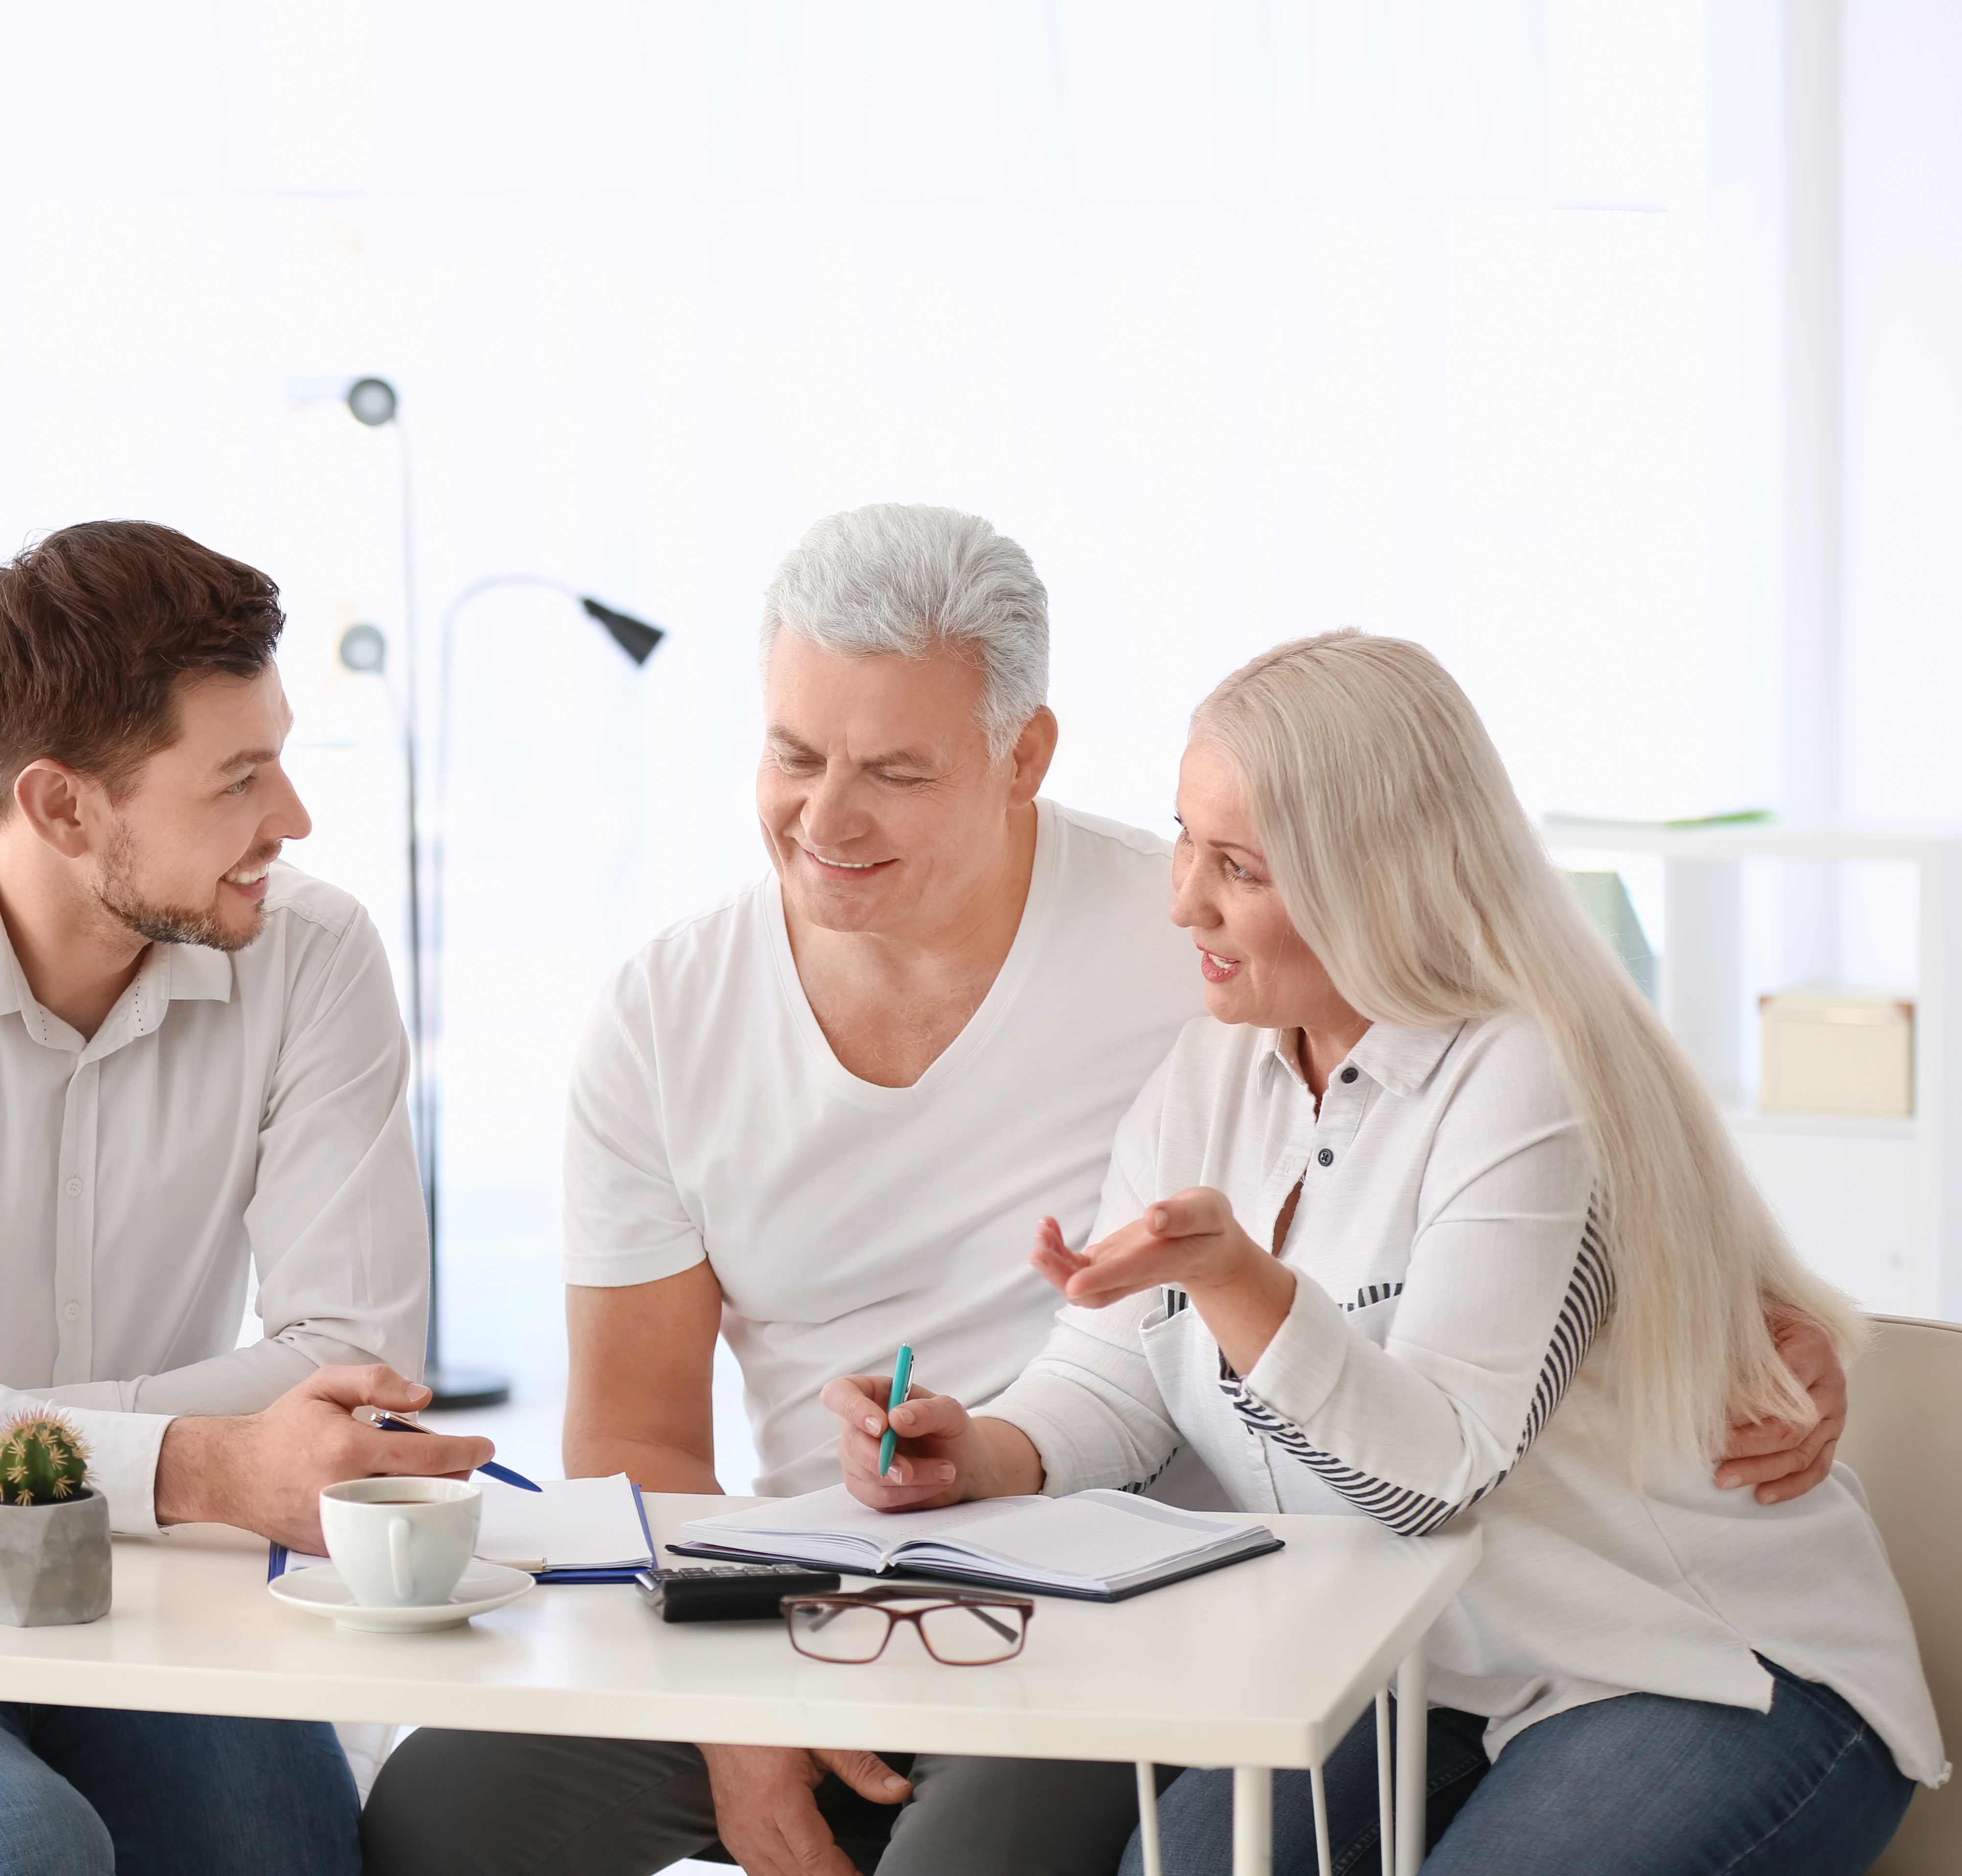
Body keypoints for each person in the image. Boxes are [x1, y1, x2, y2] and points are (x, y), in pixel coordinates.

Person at [359, 512, 1852, 1876]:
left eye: (893, 768)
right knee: (440, 1814)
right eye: (794, 752)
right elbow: (1100, 1371)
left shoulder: (1252, 986)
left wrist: (1758, 1307)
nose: (826, 816)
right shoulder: (1219, 1038)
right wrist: (962, 1470)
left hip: (1448, 1637)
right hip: (949, 1598)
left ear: (1023, 756)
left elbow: (1524, 1279)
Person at [829, 631, 1945, 1875]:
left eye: (1238, 866)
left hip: (1697, 1661)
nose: (1182, 897)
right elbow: (1114, 1375)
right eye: (1186, 840)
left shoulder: (1525, 1077)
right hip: (1426, 1677)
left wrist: (1240, 1281)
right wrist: (974, 1452)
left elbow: (1432, 1476)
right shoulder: (1221, 1067)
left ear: (1377, 878)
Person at [0, 520, 491, 1876]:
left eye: (281, 757)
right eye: (239, 779)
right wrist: (214, 1461)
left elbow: (349, 1370)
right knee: (23, 1852)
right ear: (64, 807)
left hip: (156, 1592)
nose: (292, 820)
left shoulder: (314, 956)